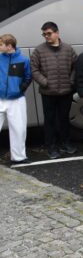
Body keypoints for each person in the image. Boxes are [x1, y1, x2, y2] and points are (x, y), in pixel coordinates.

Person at [30, 21, 77, 159]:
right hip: (48, 93)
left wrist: (71, 81)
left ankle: (66, 143)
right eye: (44, 34)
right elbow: (34, 69)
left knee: (64, 119)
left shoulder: (68, 49)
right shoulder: (39, 50)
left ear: (57, 33)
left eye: (49, 33)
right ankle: (51, 147)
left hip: (65, 92)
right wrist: (45, 82)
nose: (46, 36)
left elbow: (75, 66)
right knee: (49, 121)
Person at [0, 34, 32, 165]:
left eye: (1, 44)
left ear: (9, 46)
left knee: (19, 129)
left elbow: (28, 77)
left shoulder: (23, 60)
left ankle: (19, 157)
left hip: (17, 99)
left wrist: (20, 89)